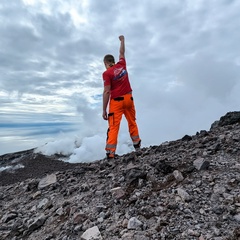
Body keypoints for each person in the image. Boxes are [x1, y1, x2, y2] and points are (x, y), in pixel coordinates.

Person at [102, 35, 141, 159]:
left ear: (106, 63)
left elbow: (107, 92)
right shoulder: (122, 64)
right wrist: (123, 41)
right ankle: (137, 146)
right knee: (132, 121)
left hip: (116, 102)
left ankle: (110, 153)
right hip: (129, 99)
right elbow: (122, 52)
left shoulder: (107, 73)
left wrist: (104, 109)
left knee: (113, 127)